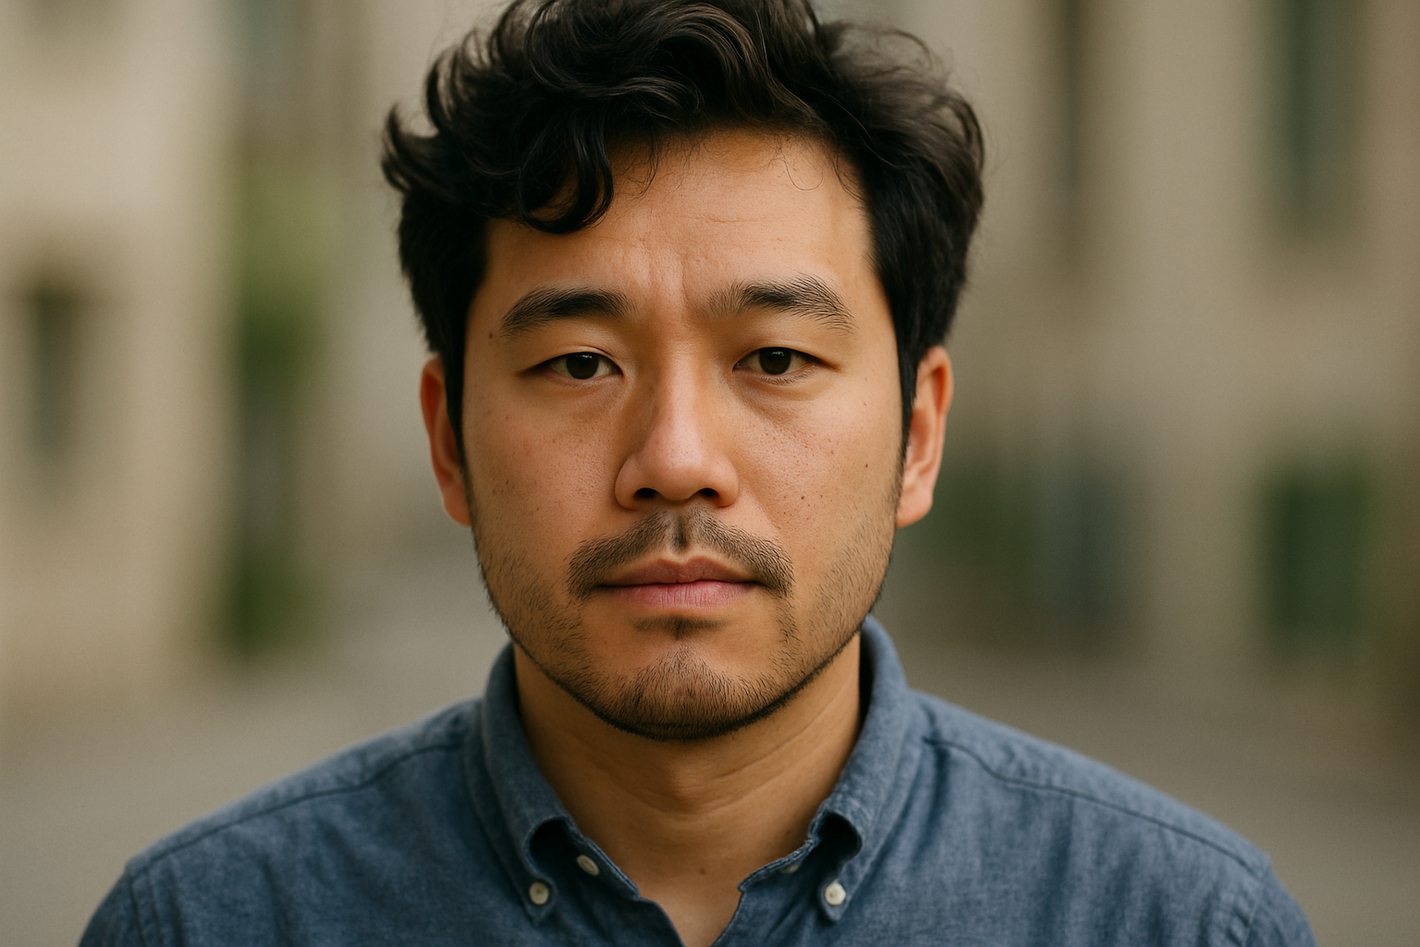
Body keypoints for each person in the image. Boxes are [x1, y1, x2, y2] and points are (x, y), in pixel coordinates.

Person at [81, 1, 1315, 944]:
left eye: (773, 355)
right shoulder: (217, 919)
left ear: (919, 434)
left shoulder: (1172, 918)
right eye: (577, 362)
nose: (675, 460)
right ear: (449, 438)